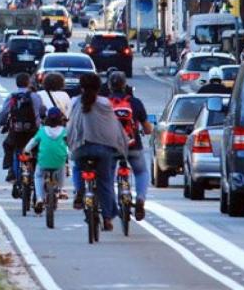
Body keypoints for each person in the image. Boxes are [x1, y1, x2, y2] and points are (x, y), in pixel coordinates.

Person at [67, 74, 129, 229]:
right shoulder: (105, 103)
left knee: (77, 168)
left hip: (81, 147)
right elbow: (113, 126)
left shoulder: (75, 102)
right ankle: (107, 218)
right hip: (103, 148)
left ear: (81, 87)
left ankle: (79, 191)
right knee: (105, 181)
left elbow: (71, 123)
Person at [105, 71, 152, 221]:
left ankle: (110, 206)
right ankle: (140, 199)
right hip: (133, 146)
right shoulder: (135, 103)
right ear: (125, 85)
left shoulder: (104, 103)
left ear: (109, 86)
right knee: (141, 172)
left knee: (107, 176)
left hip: (111, 147)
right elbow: (147, 129)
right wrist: (145, 130)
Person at [0, 73, 45, 188]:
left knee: (9, 146)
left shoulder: (12, 97)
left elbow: (4, 113)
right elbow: (42, 112)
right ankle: (37, 172)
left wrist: (0, 122)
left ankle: (11, 171)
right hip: (33, 132)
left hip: (16, 132)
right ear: (28, 83)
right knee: (38, 150)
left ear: (16, 83)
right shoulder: (36, 97)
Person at [24, 107, 68, 214]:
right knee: (62, 167)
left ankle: (39, 198)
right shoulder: (64, 131)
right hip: (59, 160)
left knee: (38, 176)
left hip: (43, 161)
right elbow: (69, 145)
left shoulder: (42, 130)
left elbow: (32, 142)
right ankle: (61, 189)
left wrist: (26, 151)